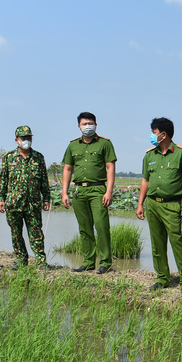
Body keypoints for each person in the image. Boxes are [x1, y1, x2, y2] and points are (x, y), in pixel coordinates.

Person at [136, 117, 182, 292]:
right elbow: (145, 180)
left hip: (172, 205)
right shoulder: (149, 155)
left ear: (164, 134)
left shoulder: (181, 153)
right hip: (152, 204)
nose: (152, 136)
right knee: (157, 243)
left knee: (176, 241)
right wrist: (140, 204)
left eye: (154, 132)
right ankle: (163, 278)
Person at [61, 112, 117, 274]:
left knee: (101, 225)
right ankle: (88, 261)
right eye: (85, 124)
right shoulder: (72, 145)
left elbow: (110, 167)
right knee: (84, 227)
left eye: (91, 123)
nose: (88, 126)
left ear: (96, 125)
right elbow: (67, 168)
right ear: (79, 126)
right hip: (79, 190)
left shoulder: (105, 144)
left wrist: (109, 191)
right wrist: (64, 193)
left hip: (98, 189)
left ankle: (106, 262)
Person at [0, 125, 51, 269]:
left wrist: (46, 199)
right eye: (23, 138)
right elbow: (3, 179)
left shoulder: (38, 157)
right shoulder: (9, 157)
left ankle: (41, 261)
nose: (26, 140)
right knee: (16, 233)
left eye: (29, 137)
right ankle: (21, 259)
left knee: (36, 233)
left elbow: (44, 180)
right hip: (13, 203)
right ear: (17, 140)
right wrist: (1, 199)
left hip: (33, 203)